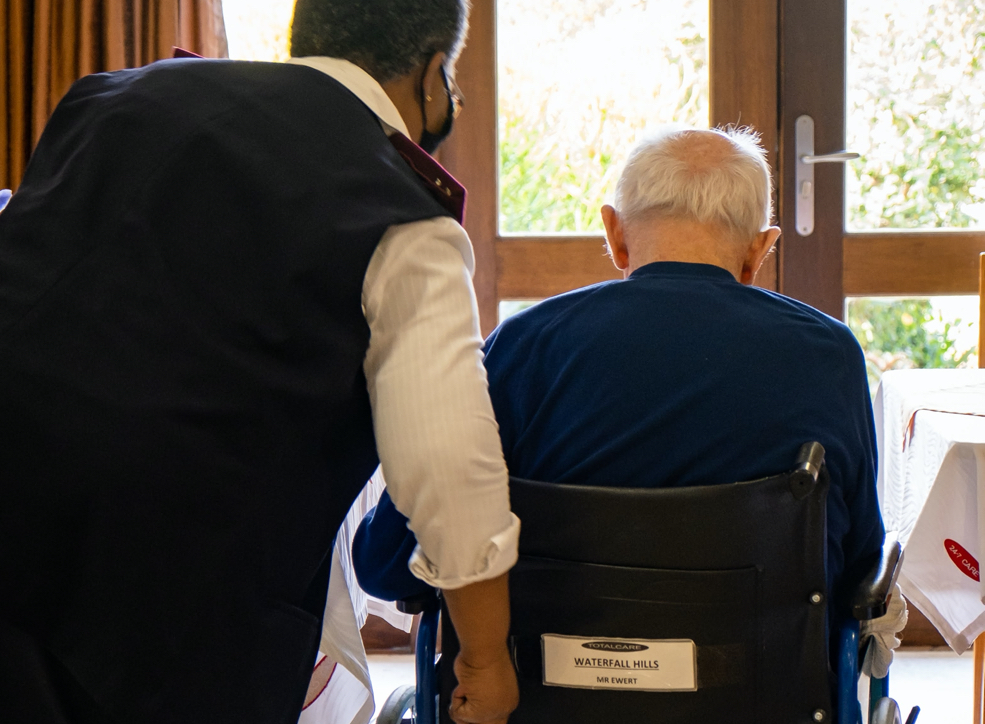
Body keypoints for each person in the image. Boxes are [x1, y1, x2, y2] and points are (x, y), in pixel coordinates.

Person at [0, 0, 519, 724]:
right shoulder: (400, 212)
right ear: (433, 75)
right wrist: (485, 660)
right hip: (162, 563)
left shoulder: (114, 96)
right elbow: (446, 460)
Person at [354, 126, 886, 657]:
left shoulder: (522, 346)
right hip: (768, 693)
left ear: (614, 233)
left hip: (541, 697)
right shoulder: (829, 353)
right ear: (760, 249)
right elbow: (858, 564)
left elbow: (387, 566)